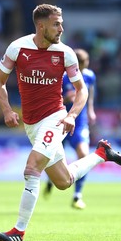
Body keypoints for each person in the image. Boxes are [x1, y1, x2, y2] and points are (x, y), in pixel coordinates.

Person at [0, 3, 121, 241]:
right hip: (31, 124)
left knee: (32, 168)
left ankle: (18, 231)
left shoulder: (65, 53)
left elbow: (81, 90)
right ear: (41, 25)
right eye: (56, 24)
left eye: (61, 23)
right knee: (64, 181)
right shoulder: (17, 48)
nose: (61, 28)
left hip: (54, 118)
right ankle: (101, 154)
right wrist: (6, 110)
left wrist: (71, 115)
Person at [44, 48, 97, 209]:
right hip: (61, 121)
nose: (84, 66)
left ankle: (77, 195)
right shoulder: (63, 76)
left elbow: (89, 92)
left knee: (83, 154)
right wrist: (66, 98)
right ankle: (51, 180)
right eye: (82, 63)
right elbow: (54, 96)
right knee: (54, 157)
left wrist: (90, 110)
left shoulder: (89, 75)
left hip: (79, 122)